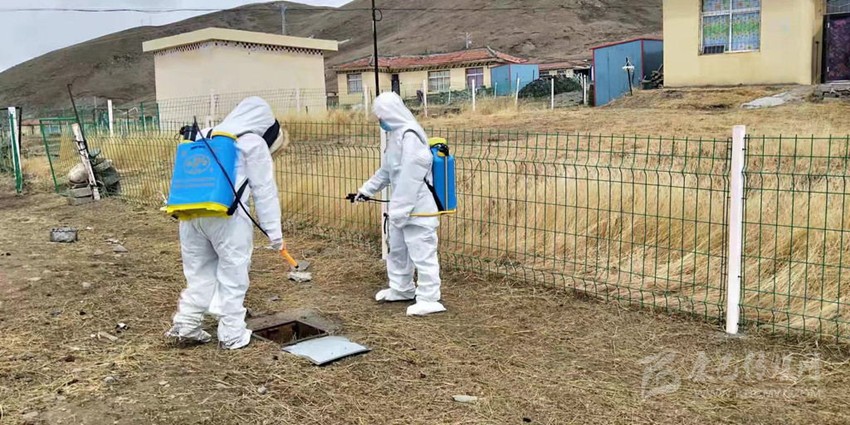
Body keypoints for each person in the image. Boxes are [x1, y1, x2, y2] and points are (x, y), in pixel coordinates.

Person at [166, 97, 286, 349]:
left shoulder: (203, 134)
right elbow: (264, 191)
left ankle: (186, 325)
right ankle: (232, 334)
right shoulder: (252, 142)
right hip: (227, 217)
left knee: (198, 273)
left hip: (190, 214)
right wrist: (274, 233)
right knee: (233, 274)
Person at [355, 92, 446, 316]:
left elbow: (410, 177)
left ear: (391, 113)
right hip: (400, 209)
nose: (380, 121)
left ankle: (429, 298)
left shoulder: (411, 135)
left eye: (381, 116)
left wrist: (400, 209)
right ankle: (401, 288)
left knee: (422, 253)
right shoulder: (395, 136)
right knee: (397, 250)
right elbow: (387, 171)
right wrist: (366, 190)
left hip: (419, 209)